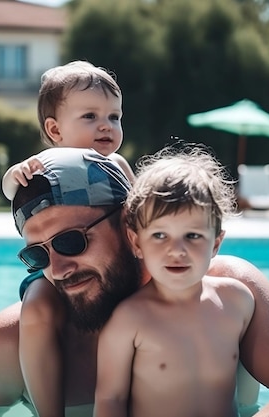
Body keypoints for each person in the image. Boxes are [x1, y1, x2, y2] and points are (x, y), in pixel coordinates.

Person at [0, 147, 269, 417]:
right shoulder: (9, 344)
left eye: (71, 241)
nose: (59, 268)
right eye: (37, 255)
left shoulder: (228, 292)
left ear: (128, 225)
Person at [0, 60, 134, 417]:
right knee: (38, 309)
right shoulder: (43, 163)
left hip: (99, 261)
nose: (106, 125)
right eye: (90, 116)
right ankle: (49, 409)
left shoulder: (119, 166)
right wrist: (16, 175)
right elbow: (11, 189)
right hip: (51, 262)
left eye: (114, 117)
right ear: (55, 129)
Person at [94, 145, 255, 417]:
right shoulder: (130, 319)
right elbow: (111, 399)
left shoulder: (238, 302)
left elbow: (249, 394)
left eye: (192, 236)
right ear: (136, 242)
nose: (177, 250)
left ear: (216, 244)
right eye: (159, 236)